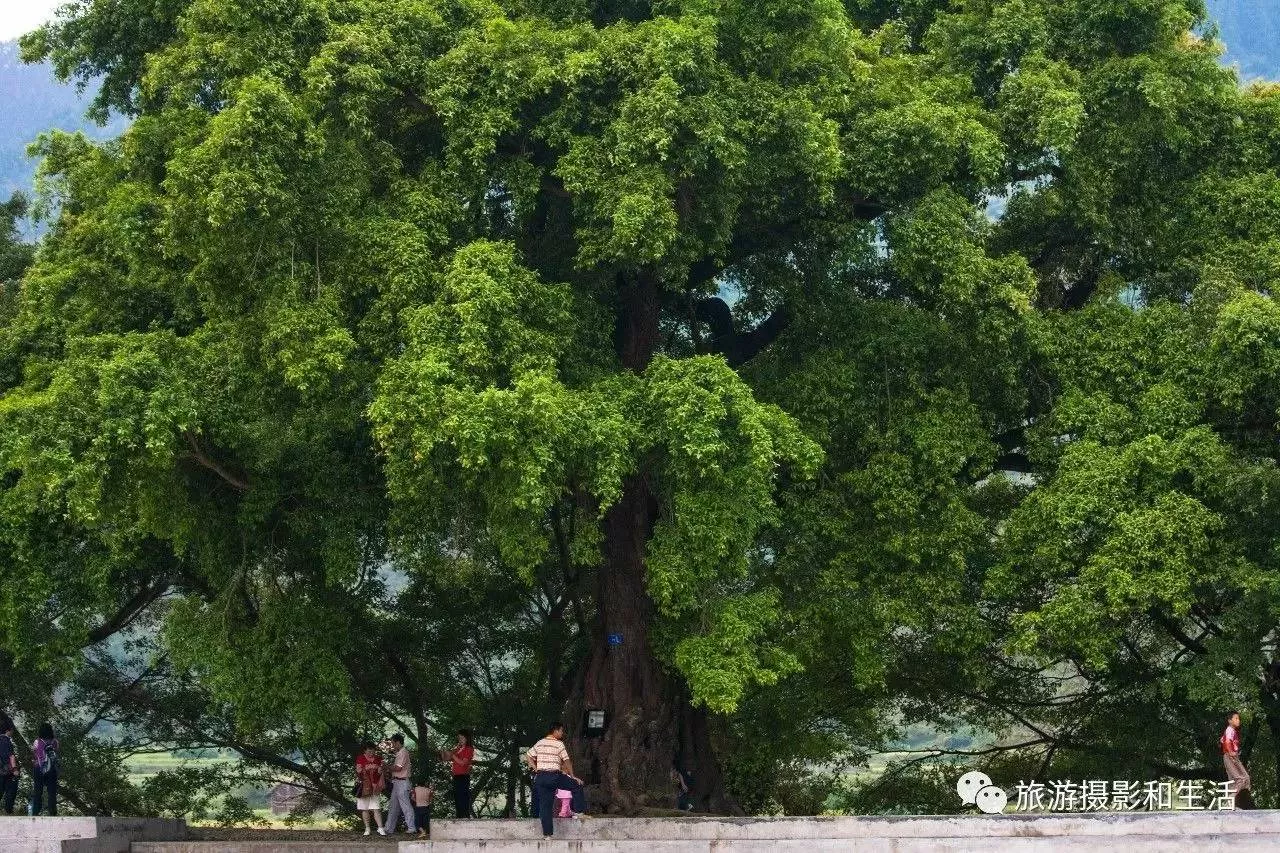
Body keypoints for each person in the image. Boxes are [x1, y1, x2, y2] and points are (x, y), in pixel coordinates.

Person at [525, 722, 587, 840]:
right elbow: (567, 760)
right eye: (561, 731)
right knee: (576, 785)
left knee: (545, 807)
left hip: (541, 778)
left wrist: (535, 767)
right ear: (555, 731)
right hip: (554, 776)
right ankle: (578, 812)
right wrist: (572, 776)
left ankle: (547, 835)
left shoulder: (540, 743)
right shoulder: (559, 744)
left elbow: (528, 755)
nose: (562, 733)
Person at [379, 733, 416, 835]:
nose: (392, 745)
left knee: (405, 805)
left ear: (398, 742)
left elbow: (398, 768)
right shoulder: (400, 753)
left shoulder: (403, 752)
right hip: (397, 782)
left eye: (393, 743)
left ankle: (411, 827)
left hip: (402, 782)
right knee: (393, 806)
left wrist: (386, 767)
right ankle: (388, 828)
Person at [1221, 711, 1254, 809]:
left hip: (1232, 756)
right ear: (1229, 721)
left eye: (1238, 718)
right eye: (1236, 718)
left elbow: (1222, 740)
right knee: (1241, 779)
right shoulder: (1229, 730)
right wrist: (1230, 752)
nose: (1238, 720)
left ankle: (1231, 804)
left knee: (1242, 779)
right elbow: (1227, 741)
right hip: (1230, 756)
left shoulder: (1232, 731)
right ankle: (1230, 800)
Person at [441, 729, 474, 818]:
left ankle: (465, 817)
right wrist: (444, 752)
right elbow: (446, 758)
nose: (460, 740)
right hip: (456, 776)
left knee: (463, 798)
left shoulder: (469, 749)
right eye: (459, 738)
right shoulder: (458, 749)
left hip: (463, 776)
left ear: (467, 738)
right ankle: (459, 817)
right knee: (457, 798)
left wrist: (452, 755)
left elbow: (463, 763)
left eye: (462, 738)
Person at [354, 741, 385, 836]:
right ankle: (367, 828)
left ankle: (380, 828)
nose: (372, 753)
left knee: (376, 808)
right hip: (364, 787)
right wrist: (362, 770)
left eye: (373, 751)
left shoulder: (379, 759)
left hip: (375, 787)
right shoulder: (360, 758)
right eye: (369, 751)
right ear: (365, 750)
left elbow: (381, 772)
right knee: (365, 808)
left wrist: (380, 770)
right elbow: (358, 771)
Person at [29, 723, 58, 816]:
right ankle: (52, 813)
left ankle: (35, 812)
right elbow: (56, 752)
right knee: (52, 792)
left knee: (38, 791)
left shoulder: (37, 741)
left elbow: (34, 754)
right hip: (51, 769)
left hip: (39, 768)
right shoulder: (55, 742)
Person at [0, 719, 18, 814]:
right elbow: (11, 756)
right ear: (8, 730)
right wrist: (15, 769)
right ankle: (8, 811)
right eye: (12, 729)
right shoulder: (6, 741)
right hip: (7, 771)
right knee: (11, 791)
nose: (13, 731)